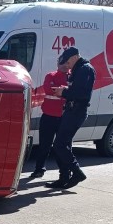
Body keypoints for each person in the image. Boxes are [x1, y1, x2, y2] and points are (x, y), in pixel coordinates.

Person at [46, 47, 96, 189]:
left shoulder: (85, 69)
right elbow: (76, 90)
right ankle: (64, 177)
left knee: (60, 145)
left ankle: (77, 172)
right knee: (62, 145)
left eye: (67, 63)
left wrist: (64, 93)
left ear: (74, 57)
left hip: (76, 112)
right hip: (71, 111)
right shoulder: (78, 69)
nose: (66, 66)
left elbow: (82, 94)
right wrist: (65, 90)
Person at [30, 57, 69, 179]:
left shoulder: (72, 77)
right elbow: (48, 89)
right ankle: (39, 170)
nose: (62, 65)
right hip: (48, 117)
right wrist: (64, 89)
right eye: (60, 63)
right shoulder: (50, 75)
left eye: (65, 63)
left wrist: (61, 89)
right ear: (57, 63)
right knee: (44, 146)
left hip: (64, 118)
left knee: (65, 147)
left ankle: (65, 172)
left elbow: (74, 91)